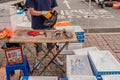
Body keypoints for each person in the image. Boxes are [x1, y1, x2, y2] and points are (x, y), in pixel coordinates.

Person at [24, 0, 63, 69]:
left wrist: (52, 16)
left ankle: (55, 58)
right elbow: (32, 12)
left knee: (52, 44)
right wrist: (42, 12)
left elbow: (52, 8)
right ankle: (38, 60)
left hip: (49, 24)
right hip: (37, 25)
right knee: (38, 45)